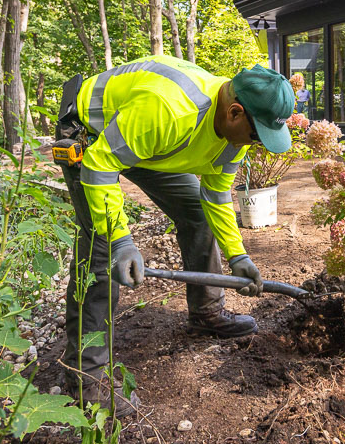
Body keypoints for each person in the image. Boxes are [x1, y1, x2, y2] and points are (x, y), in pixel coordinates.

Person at [54, 56, 296, 414]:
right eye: (257, 135)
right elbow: (100, 165)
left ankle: (206, 313)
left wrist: (237, 256)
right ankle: (86, 376)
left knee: (197, 215)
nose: (257, 144)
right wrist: (123, 242)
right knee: (101, 248)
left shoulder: (235, 136)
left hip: (147, 143)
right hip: (91, 133)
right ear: (234, 113)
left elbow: (215, 196)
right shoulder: (170, 109)